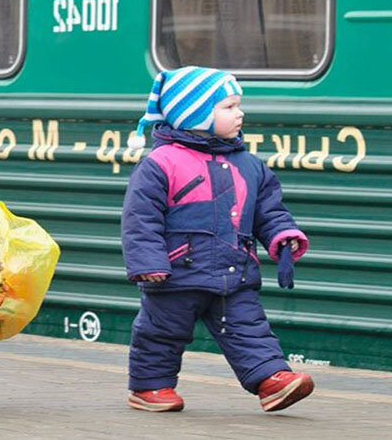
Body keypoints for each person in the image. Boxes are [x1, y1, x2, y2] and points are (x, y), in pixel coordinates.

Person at [120, 66, 313, 413]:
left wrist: (282, 235)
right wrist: (148, 263)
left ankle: (271, 379)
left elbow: (268, 210)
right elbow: (140, 219)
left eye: (238, 105)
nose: (240, 113)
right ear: (195, 114)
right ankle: (149, 387)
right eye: (228, 106)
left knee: (249, 327)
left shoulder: (249, 165)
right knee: (161, 333)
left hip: (234, 271)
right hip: (176, 273)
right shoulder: (161, 164)